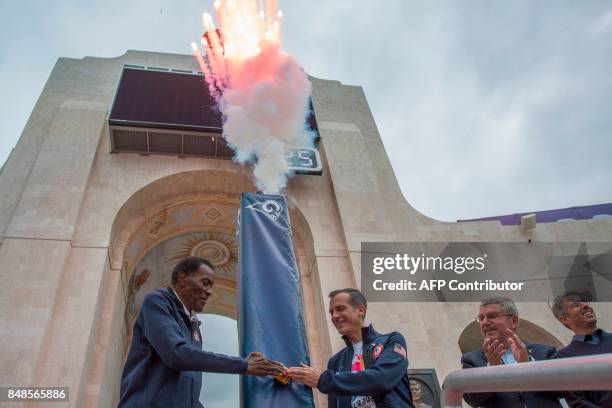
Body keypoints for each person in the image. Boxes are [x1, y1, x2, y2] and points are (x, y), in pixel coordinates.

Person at [118, 256, 285, 407]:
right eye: (205, 282)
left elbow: (186, 388)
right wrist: (244, 364)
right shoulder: (156, 302)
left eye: (211, 286)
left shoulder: (194, 325)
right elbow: (177, 354)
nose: (210, 291)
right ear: (182, 278)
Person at [288, 288, 414, 407]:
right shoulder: (335, 361)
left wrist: (322, 380)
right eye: (331, 312)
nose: (334, 316)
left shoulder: (391, 340)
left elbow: (381, 379)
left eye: (340, 309)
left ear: (361, 310)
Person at [461, 297, 562, 408]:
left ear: (513, 321)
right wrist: (492, 371)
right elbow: (473, 400)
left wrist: (528, 365)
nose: (485, 322)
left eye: (492, 316)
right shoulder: (471, 360)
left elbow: (565, 390)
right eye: (481, 318)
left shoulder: (545, 352)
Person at [551, 291, 612, 407]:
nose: (586, 305)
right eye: (576, 305)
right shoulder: (563, 358)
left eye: (585, 302)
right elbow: (575, 400)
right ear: (565, 319)